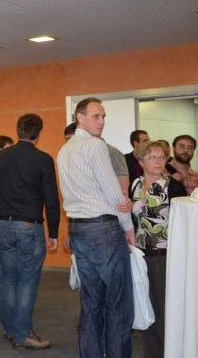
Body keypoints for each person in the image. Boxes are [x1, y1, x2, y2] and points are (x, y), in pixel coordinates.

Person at [57, 97, 135, 358]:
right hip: (104, 230)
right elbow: (114, 193)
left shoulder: (64, 150)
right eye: (96, 116)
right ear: (79, 117)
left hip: (79, 229)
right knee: (118, 304)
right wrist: (128, 226)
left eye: (103, 117)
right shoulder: (95, 145)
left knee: (91, 302)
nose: (101, 121)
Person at [0, 113, 60, 351]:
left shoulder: (1, 157)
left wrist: (0, 217)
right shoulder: (43, 159)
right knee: (27, 281)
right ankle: (22, 334)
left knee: (8, 279)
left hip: (3, 224)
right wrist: (53, 233)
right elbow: (51, 199)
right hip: (29, 225)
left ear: (18, 130)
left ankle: (10, 328)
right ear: (38, 133)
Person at [130, 141, 187, 358]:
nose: (158, 161)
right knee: (148, 307)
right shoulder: (136, 184)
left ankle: (170, 353)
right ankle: (154, 353)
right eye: (152, 157)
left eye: (162, 157)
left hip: (165, 256)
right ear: (141, 161)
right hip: (140, 255)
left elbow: (183, 223)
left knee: (165, 309)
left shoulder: (173, 187)